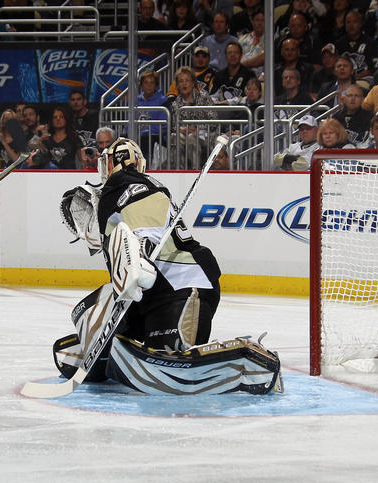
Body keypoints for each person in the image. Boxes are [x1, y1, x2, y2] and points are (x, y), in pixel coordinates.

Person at [55, 138, 282, 394]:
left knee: (171, 360)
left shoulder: (125, 184)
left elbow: (146, 222)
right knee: (98, 303)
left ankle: (245, 358)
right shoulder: (120, 195)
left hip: (182, 286)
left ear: (113, 162)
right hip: (154, 295)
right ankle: (102, 351)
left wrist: (139, 252)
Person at [171, 66, 217, 169]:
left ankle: (194, 170)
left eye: (187, 80)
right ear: (177, 85)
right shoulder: (176, 103)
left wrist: (197, 128)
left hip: (206, 135)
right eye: (181, 81)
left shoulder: (203, 97)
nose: (184, 84)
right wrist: (182, 129)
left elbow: (213, 120)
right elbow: (174, 125)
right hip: (185, 134)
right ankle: (179, 171)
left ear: (193, 83)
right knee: (176, 137)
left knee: (192, 138)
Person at [335, 9, 378, 84]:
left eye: (354, 22)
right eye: (348, 22)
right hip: (343, 81)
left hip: (364, 81)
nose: (351, 26)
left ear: (360, 24)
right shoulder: (339, 44)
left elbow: (373, 69)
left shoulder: (371, 43)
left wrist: (355, 78)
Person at [136, 69, 169, 163]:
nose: (149, 85)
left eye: (152, 82)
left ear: (156, 85)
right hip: (138, 135)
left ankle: (146, 167)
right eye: (146, 82)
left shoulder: (163, 101)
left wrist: (144, 132)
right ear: (141, 85)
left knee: (146, 138)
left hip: (158, 137)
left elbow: (164, 126)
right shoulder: (135, 101)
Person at [213, 42, 256, 107]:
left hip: (242, 111)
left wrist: (228, 102)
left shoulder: (249, 74)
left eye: (236, 52)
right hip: (222, 111)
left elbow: (250, 96)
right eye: (230, 52)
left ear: (241, 55)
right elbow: (213, 95)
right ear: (225, 56)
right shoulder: (219, 75)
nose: (233, 55)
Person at [42, 105, 82, 169]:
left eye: (61, 117)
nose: (58, 119)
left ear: (66, 119)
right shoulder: (46, 139)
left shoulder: (74, 138)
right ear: (51, 121)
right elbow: (35, 158)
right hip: (50, 173)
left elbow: (83, 161)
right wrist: (39, 139)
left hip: (70, 173)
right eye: (55, 117)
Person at [238, 8, 265, 77]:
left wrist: (240, 65)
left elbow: (264, 58)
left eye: (262, 20)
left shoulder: (271, 40)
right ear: (252, 22)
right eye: (257, 20)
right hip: (242, 75)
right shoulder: (242, 39)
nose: (259, 23)